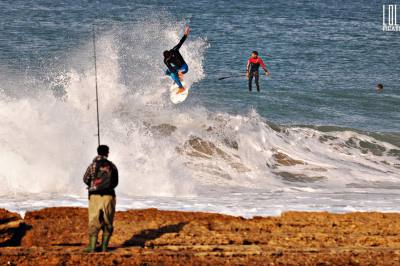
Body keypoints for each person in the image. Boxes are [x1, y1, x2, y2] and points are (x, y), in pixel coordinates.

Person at [83, 145, 118, 253]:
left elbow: (85, 179)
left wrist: (93, 185)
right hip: (109, 196)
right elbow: (115, 182)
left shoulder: (92, 165)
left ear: (97, 152)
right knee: (108, 221)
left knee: (94, 221)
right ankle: (104, 248)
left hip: (95, 196)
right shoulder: (112, 166)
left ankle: (92, 247)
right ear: (107, 153)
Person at [164, 26, 190, 94]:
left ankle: (181, 88)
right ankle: (178, 78)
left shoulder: (174, 50)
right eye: (169, 58)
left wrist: (185, 34)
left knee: (173, 75)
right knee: (167, 73)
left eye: (170, 56)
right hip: (177, 68)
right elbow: (171, 69)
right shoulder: (166, 61)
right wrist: (176, 73)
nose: (170, 58)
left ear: (170, 52)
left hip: (184, 67)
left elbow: (180, 42)